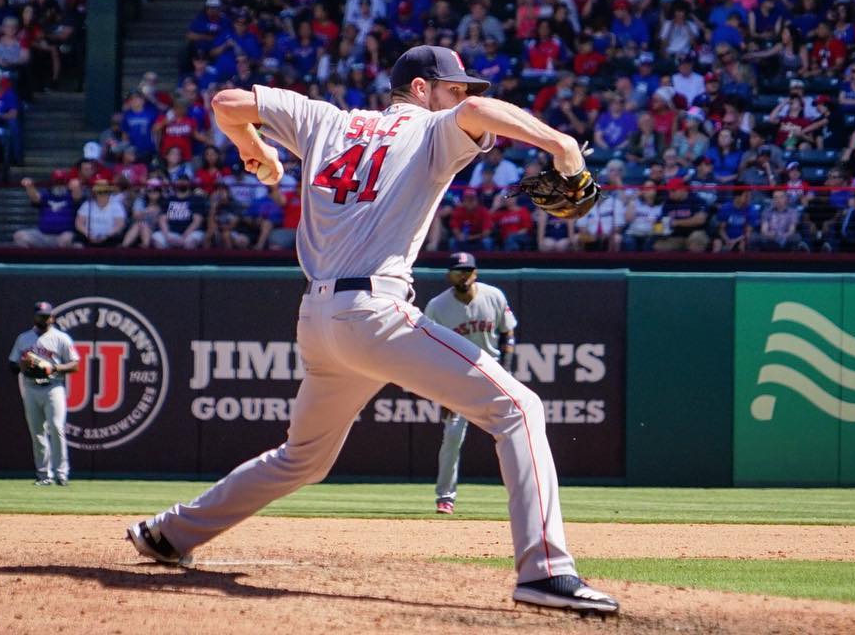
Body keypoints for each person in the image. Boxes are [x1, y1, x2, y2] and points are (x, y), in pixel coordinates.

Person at [126, 44, 618, 615]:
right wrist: (560, 145)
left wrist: (252, 148)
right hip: (374, 311)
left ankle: (172, 533)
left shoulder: (324, 120)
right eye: (454, 87)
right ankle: (546, 572)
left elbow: (227, 101)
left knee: (303, 458)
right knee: (520, 408)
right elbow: (478, 117)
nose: (463, 97)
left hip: (317, 318)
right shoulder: (433, 130)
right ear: (419, 89)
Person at [423, 252, 517, 515]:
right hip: (458, 377)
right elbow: (431, 352)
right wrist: (441, 393)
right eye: (457, 270)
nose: (463, 275)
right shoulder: (437, 306)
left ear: (475, 272)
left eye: (467, 270)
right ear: (448, 275)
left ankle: (525, 496)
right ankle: (445, 497)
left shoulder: (494, 296)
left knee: (516, 432)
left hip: (494, 373)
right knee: (452, 435)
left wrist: (507, 372)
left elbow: (508, 332)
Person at [7, 301, 80, 485]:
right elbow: (13, 364)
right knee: (37, 433)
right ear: (35, 317)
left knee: (57, 428)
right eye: (41, 315)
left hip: (53, 387)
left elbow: (75, 364)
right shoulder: (24, 338)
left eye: (47, 315)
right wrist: (23, 366)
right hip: (31, 387)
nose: (44, 318)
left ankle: (61, 474)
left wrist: (54, 367)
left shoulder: (61, 338)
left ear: (52, 317)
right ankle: (43, 475)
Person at [13, 175, 83, 248]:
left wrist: (76, 185)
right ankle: (33, 258)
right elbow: (35, 198)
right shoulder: (46, 194)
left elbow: (77, 195)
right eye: (56, 183)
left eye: (61, 183)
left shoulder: (71, 196)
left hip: (63, 235)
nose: (59, 186)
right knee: (19, 236)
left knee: (67, 240)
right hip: (43, 234)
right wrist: (29, 185)